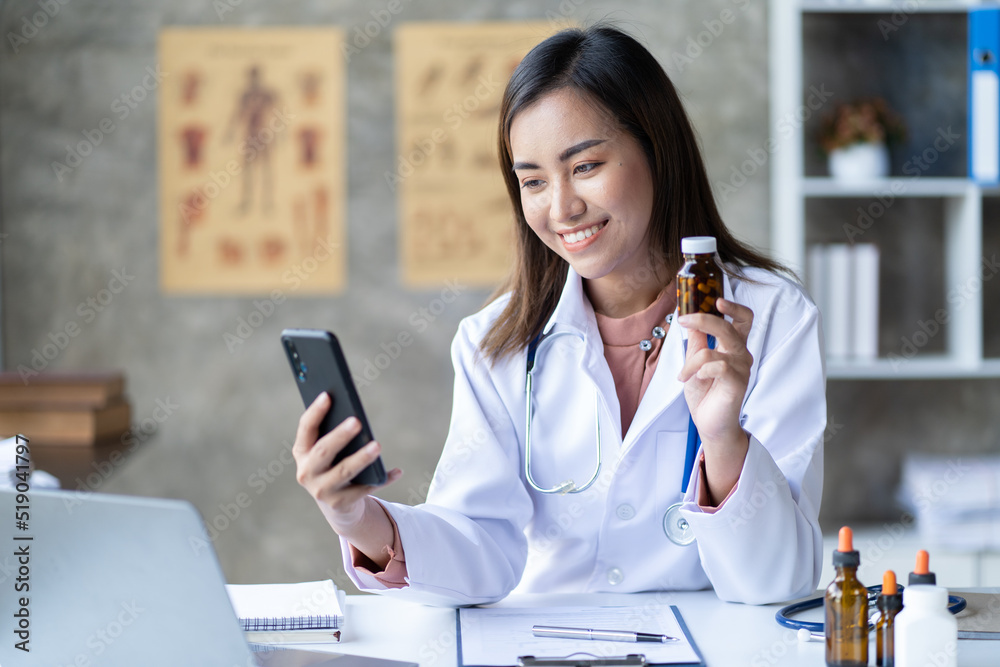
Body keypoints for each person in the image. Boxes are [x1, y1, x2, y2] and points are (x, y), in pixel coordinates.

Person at [293, 25, 826, 607]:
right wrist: (358, 519)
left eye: (587, 165)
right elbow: (480, 547)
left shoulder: (771, 318)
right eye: (533, 181)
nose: (562, 207)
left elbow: (780, 582)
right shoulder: (494, 344)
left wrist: (724, 438)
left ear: (658, 149)